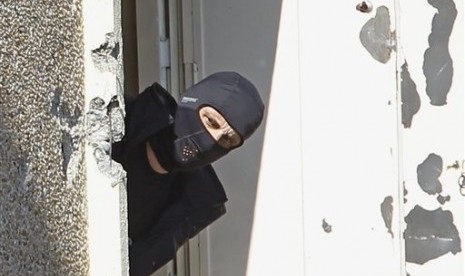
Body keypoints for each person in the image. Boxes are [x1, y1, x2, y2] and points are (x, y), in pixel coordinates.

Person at [112, 71, 265, 275]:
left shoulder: (192, 203)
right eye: (211, 121)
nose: (212, 140)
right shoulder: (117, 118)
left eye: (227, 140)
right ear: (191, 101)